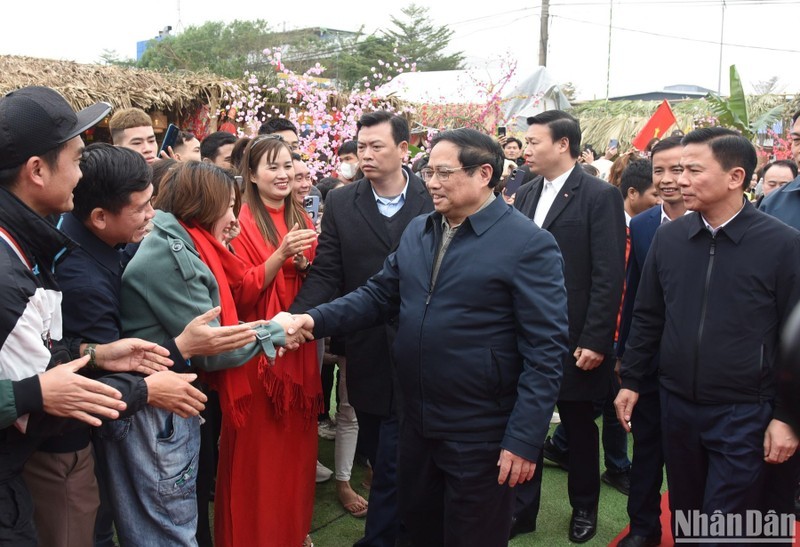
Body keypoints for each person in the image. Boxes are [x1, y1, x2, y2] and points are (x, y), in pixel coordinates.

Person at [289, 127, 568, 546]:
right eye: (428, 172)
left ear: (484, 174)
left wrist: (525, 438)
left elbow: (546, 352)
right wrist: (311, 321)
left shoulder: (528, 244)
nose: (431, 183)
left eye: (443, 173)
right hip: (414, 419)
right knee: (417, 529)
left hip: (481, 430)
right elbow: (377, 295)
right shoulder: (421, 229)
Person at [0, 85, 178, 545]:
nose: (82, 176)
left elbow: (42, 351)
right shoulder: (7, 267)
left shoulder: (26, 246)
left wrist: (95, 355)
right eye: (77, 160)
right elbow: (35, 379)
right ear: (37, 170)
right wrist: (27, 394)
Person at [615, 127, 800, 543]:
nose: (679, 180)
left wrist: (789, 417)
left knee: (729, 530)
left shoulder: (784, 246)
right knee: (689, 519)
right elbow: (648, 316)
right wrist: (632, 380)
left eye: (693, 170)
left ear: (735, 177)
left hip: (747, 413)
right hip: (676, 406)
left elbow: (796, 340)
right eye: (678, 170)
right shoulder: (670, 237)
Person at [108, 161, 302, 546]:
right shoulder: (170, 257)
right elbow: (212, 347)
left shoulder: (181, 242)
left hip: (168, 399)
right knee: (168, 526)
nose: (233, 218)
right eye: (227, 207)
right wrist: (276, 330)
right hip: (159, 409)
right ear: (203, 207)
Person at [289, 110, 434, 547]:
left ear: (404, 149)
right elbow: (327, 273)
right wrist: (296, 319)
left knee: (403, 457)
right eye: (361, 147)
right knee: (377, 448)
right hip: (367, 347)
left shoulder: (435, 196)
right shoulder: (341, 202)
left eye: (377, 147)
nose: (365, 156)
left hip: (425, 348)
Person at [513, 110, 627, 543]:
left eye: (533, 141)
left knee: (578, 428)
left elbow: (608, 273)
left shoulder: (599, 196)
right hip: (525, 333)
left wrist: (596, 338)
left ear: (563, 145)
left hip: (576, 337)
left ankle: (585, 508)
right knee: (525, 423)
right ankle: (523, 511)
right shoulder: (524, 193)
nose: (526, 149)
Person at [217, 135, 319, 547]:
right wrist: (279, 256)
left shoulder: (302, 217)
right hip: (261, 350)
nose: (283, 174)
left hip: (302, 344)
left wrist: (304, 264)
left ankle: (290, 533)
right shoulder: (238, 221)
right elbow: (239, 293)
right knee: (259, 454)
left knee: (296, 449)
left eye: (288, 164)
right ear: (252, 176)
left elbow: (318, 280)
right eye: (272, 167)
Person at [614, 136, 687, 547]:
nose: (668, 179)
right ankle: (642, 528)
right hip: (648, 364)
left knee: (688, 461)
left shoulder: (707, 226)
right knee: (645, 453)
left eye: (678, 169)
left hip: (696, 367)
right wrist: (625, 358)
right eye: (659, 170)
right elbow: (635, 296)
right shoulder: (642, 225)